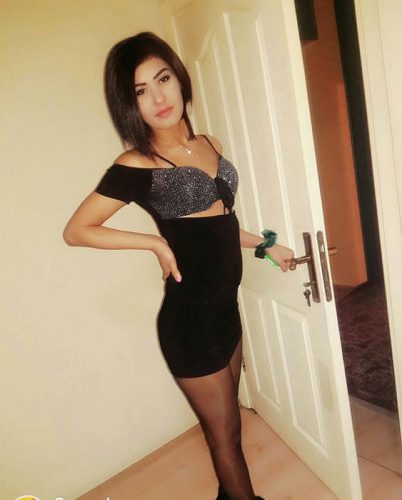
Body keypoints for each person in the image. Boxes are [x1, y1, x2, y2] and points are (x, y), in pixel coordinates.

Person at [63, 32, 294, 500]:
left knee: (231, 430)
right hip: (189, 325)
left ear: (179, 76)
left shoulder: (210, 142)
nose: (158, 97)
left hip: (225, 313)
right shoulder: (136, 164)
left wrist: (267, 245)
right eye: (140, 91)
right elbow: (78, 230)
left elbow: (221, 226)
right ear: (130, 106)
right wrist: (153, 243)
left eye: (162, 78)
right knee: (225, 438)